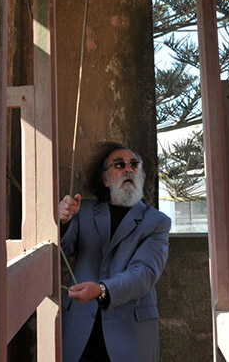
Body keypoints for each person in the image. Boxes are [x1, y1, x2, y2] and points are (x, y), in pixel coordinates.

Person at [59, 142, 171, 362]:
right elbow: (65, 247)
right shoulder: (85, 210)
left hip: (129, 333)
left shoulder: (157, 222)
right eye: (119, 165)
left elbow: (144, 273)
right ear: (105, 179)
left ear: (141, 175)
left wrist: (101, 290)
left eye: (134, 164)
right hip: (80, 329)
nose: (128, 169)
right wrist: (63, 219)